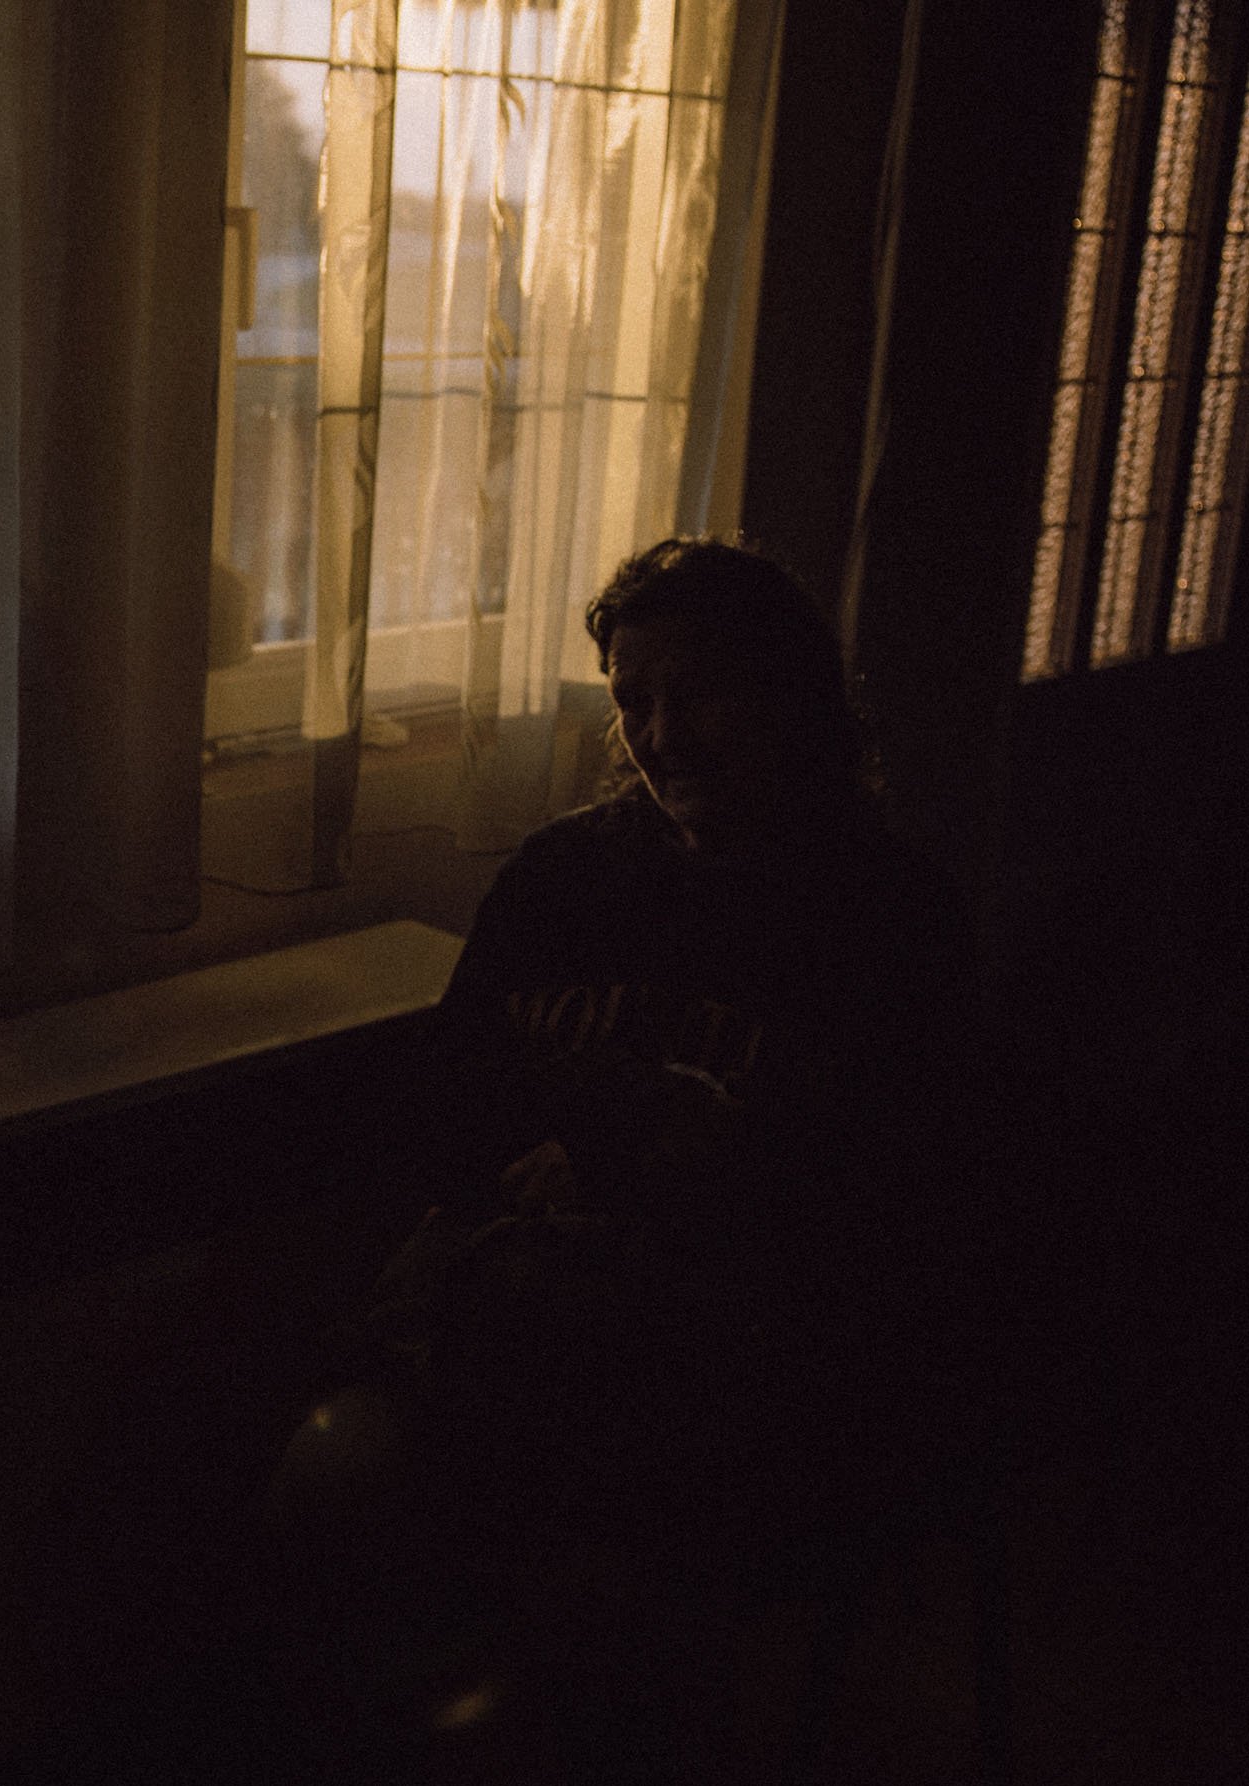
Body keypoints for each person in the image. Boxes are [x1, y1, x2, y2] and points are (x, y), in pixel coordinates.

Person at [273, 538, 987, 1775]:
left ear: (791, 697)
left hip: (749, 1375)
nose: (665, 735)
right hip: (527, 1320)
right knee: (330, 1473)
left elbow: (903, 1223)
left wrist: (665, 1180)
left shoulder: (889, 922)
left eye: (700, 692)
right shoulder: (564, 880)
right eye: (632, 700)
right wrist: (520, 1165)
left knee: (587, 1584)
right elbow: (447, 1100)